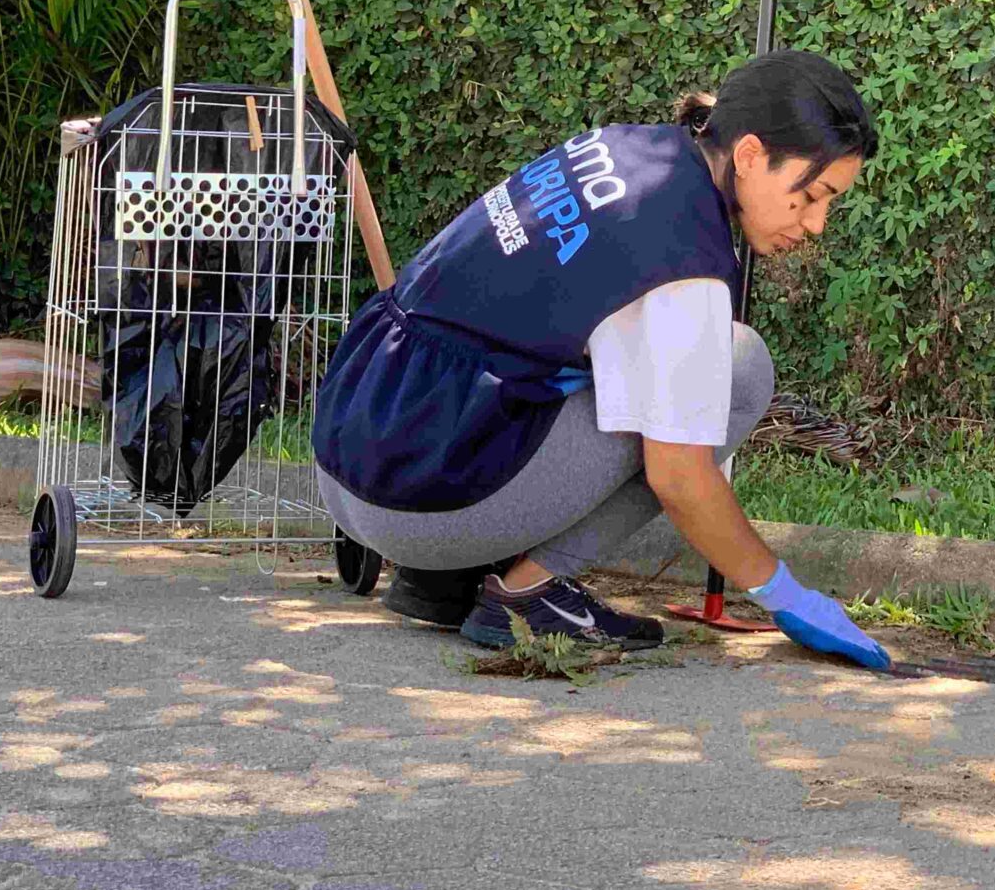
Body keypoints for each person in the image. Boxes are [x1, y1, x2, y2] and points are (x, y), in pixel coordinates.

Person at [312, 50, 889, 672]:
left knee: (593, 364)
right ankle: (528, 593)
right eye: (812, 194)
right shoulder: (680, 256)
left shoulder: (623, 149)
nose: (817, 224)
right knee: (739, 366)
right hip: (415, 497)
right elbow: (679, 477)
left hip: (356, 445)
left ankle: (441, 578)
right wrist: (785, 594)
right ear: (750, 155)